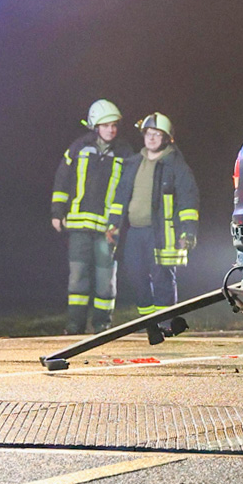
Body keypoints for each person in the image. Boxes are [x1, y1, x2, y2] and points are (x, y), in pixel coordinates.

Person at [107, 113, 199, 323]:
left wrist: (187, 231)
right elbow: (120, 196)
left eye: (157, 134)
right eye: (148, 133)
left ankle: (165, 323)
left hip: (162, 233)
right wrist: (113, 224)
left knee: (162, 277)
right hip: (134, 232)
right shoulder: (133, 163)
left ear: (167, 138)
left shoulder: (175, 165)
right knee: (135, 276)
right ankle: (148, 323)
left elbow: (188, 199)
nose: (151, 138)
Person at [51, 99, 130, 335]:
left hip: (108, 229)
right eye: (106, 125)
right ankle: (74, 325)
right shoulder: (78, 148)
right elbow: (62, 180)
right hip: (78, 226)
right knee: (77, 278)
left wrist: (118, 223)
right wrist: (57, 212)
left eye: (114, 125)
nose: (111, 130)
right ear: (95, 126)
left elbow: (127, 190)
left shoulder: (125, 153)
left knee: (106, 279)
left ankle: (102, 326)